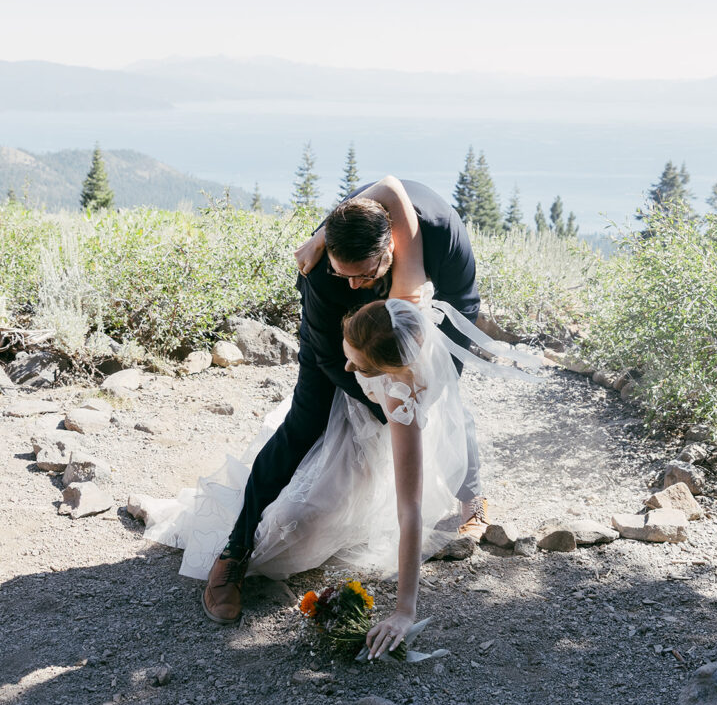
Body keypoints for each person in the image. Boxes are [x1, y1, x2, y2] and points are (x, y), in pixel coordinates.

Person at [143, 280, 541, 655]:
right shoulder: (389, 316)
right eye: (347, 352)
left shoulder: (403, 398)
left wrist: (404, 610)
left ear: (389, 372)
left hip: (373, 435)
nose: (346, 371)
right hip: (332, 414)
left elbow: (410, 510)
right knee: (286, 497)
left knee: (299, 527)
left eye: (358, 367)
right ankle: (232, 544)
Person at [196, 176, 488, 625]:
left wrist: (413, 395)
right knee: (303, 424)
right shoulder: (325, 269)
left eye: (365, 275)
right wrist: (376, 400)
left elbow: (461, 307)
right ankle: (234, 551)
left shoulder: (437, 238)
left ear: (393, 247)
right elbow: (332, 359)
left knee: (442, 400)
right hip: (337, 340)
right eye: (343, 274)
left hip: (428, 312)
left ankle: (473, 497)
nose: (354, 285)